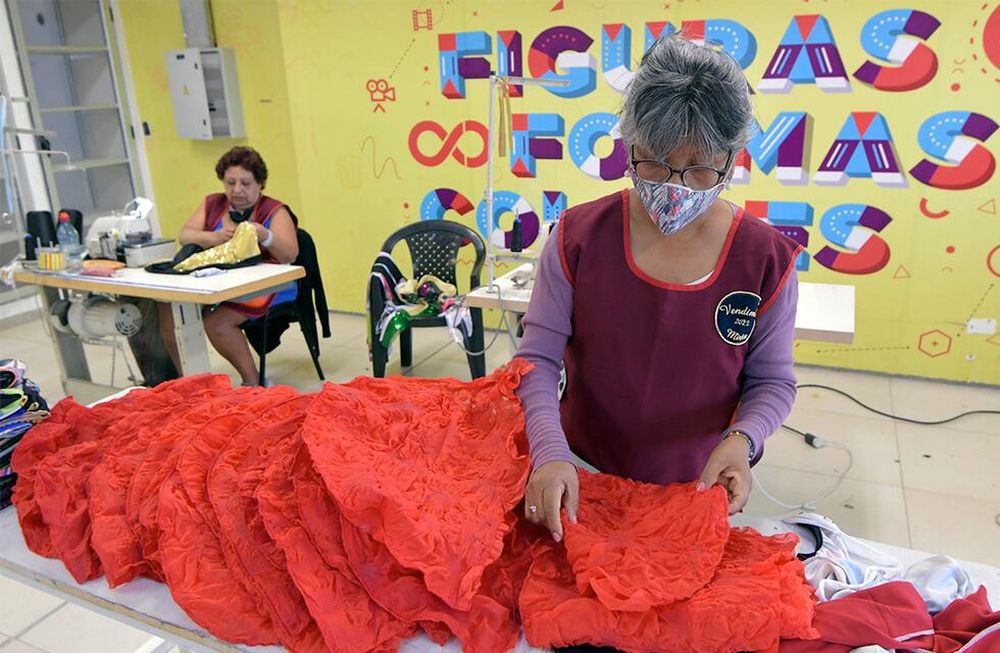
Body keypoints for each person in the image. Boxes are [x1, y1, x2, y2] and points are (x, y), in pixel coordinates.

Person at [518, 34, 801, 541]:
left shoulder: (766, 260)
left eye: (699, 167)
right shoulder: (579, 237)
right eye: (652, 161)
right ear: (628, 145)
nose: (674, 185)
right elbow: (538, 358)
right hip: (583, 470)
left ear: (732, 160)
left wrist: (742, 440)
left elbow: (772, 382)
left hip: (693, 486)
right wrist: (549, 451)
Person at [158, 146, 299, 386]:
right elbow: (185, 235)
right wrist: (214, 238)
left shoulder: (274, 210)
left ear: (259, 184)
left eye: (246, 183)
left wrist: (264, 235)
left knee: (217, 322)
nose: (237, 190)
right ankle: (187, 380)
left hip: (267, 286)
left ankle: (252, 381)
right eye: (230, 182)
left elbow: (290, 254)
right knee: (169, 309)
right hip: (220, 282)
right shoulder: (213, 204)